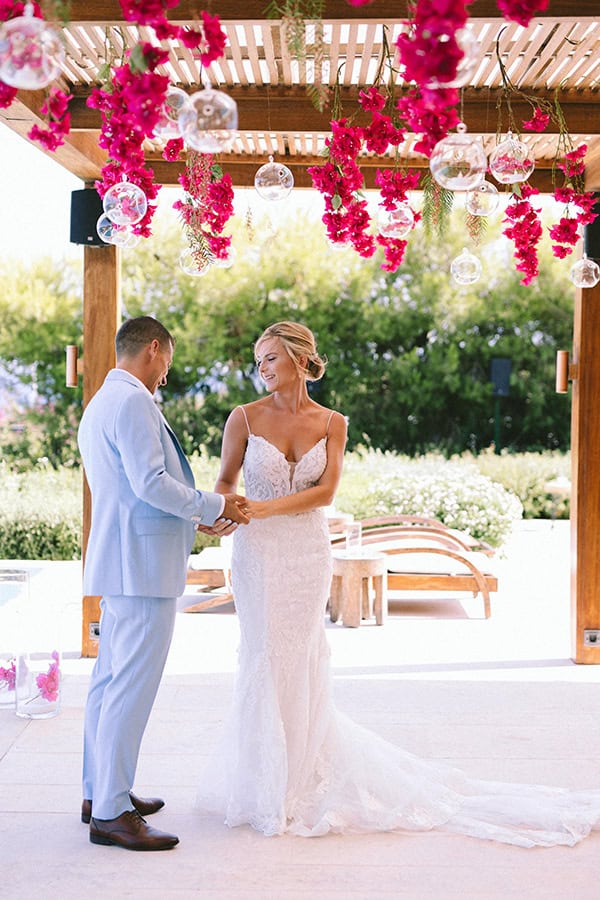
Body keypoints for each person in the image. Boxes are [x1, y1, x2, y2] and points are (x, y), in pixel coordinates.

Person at [196, 320, 600, 847]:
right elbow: (226, 482)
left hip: (307, 554)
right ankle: (264, 783)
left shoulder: (332, 423)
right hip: (257, 555)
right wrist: (222, 513)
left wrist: (263, 509)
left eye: (270, 357)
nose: (262, 369)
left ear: (299, 358)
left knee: (303, 654)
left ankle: (299, 776)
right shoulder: (244, 418)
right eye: (258, 361)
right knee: (262, 653)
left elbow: (326, 493)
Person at [78, 315, 248, 851]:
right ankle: (111, 813)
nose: (165, 376)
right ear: (153, 348)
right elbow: (150, 483)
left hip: (126, 560)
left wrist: (194, 516)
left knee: (110, 682)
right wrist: (215, 504)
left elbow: (133, 491)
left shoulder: (102, 401)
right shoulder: (132, 402)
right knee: (129, 686)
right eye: (167, 364)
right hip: (142, 568)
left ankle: (101, 791)